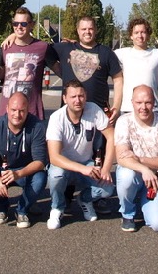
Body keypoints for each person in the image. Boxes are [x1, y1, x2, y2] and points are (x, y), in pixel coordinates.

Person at [45, 79, 116, 230]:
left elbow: (111, 136)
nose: (77, 100)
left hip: (86, 163)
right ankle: (57, 208)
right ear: (64, 98)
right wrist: (82, 169)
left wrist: (106, 168)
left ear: (86, 96)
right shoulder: (56, 118)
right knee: (55, 176)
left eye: (81, 96)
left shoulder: (94, 109)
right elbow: (54, 157)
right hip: (64, 165)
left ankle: (84, 199)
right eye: (73, 97)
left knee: (108, 188)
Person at [0, 92, 47, 228]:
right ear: (7, 109)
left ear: (28, 110)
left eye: (22, 111)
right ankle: (1, 207)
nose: (17, 115)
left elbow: (40, 161)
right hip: (1, 171)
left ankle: (22, 209)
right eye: (14, 110)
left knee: (40, 179)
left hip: (25, 171)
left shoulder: (37, 127)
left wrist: (18, 174)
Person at [114, 85, 158, 233]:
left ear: (154, 102)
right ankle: (127, 213)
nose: (143, 107)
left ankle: (145, 202)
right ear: (132, 103)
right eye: (139, 103)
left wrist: (140, 160)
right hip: (134, 173)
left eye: (148, 102)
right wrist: (143, 169)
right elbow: (122, 157)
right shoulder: (123, 121)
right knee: (125, 176)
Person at [54, 15, 123, 120]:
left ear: (96, 30)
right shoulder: (65, 48)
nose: (87, 32)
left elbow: (118, 79)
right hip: (70, 113)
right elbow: (43, 52)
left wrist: (116, 107)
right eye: (83, 29)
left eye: (90, 29)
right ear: (78, 31)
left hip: (98, 113)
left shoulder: (106, 52)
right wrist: (61, 71)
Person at [0, 7, 60, 120]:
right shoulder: (5, 47)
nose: (19, 27)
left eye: (23, 24)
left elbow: (60, 70)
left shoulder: (43, 47)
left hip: (32, 113)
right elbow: (1, 72)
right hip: (6, 113)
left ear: (32, 25)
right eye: (15, 23)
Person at [114, 17, 158, 115]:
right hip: (128, 108)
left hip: (151, 108)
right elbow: (99, 55)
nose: (140, 36)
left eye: (143, 32)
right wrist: (74, 45)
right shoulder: (122, 53)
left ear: (148, 35)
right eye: (136, 33)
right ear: (131, 36)